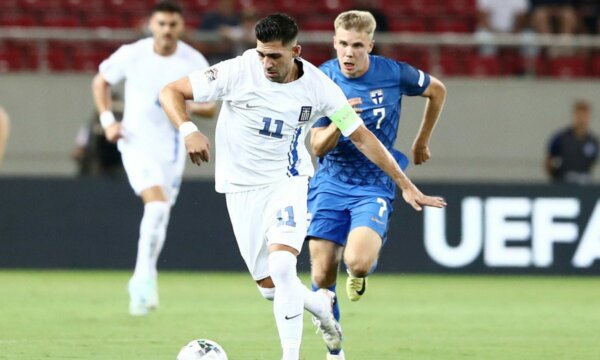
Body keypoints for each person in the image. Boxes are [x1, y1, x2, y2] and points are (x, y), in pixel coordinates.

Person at [159, 13, 446, 360]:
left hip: (288, 181)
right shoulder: (237, 71)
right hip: (240, 188)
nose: (266, 63)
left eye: (275, 56)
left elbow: (362, 136)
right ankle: (321, 304)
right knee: (271, 289)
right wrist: (188, 130)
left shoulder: (320, 87)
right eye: (261, 53)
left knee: (283, 269)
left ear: (295, 51)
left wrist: (405, 183)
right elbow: (171, 91)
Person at [305, 10, 446, 357]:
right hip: (331, 180)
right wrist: (341, 121)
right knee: (322, 276)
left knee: (358, 262)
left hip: (374, 182)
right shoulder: (323, 78)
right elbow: (317, 146)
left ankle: (360, 274)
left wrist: (421, 141)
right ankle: (334, 348)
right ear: (333, 42)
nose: (348, 53)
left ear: (370, 44)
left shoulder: (393, 73)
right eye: (341, 44)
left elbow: (438, 91)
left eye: (356, 45)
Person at [91, 0, 217, 316]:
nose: (167, 30)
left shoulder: (192, 59)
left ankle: (144, 277)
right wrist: (108, 121)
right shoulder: (132, 54)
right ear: (151, 24)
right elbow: (101, 80)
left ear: (181, 26)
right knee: (157, 205)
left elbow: (210, 106)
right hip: (135, 143)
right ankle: (144, 278)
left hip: (173, 147)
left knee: (160, 213)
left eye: (173, 24)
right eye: (161, 24)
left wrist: (178, 103)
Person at [545, 100, 598, 184]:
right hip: (564, 182)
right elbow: (549, 160)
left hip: (584, 182)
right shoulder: (561, 138)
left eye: (585, 115)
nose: (582, 119)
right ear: (574, 116)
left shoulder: (592, 141)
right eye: (579, 115)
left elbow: (591, 162)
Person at [73, 92, 124, 178]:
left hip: (120, 168)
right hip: (96, 169)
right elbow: (78, 151)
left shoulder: (127, 126)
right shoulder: (91, 126)